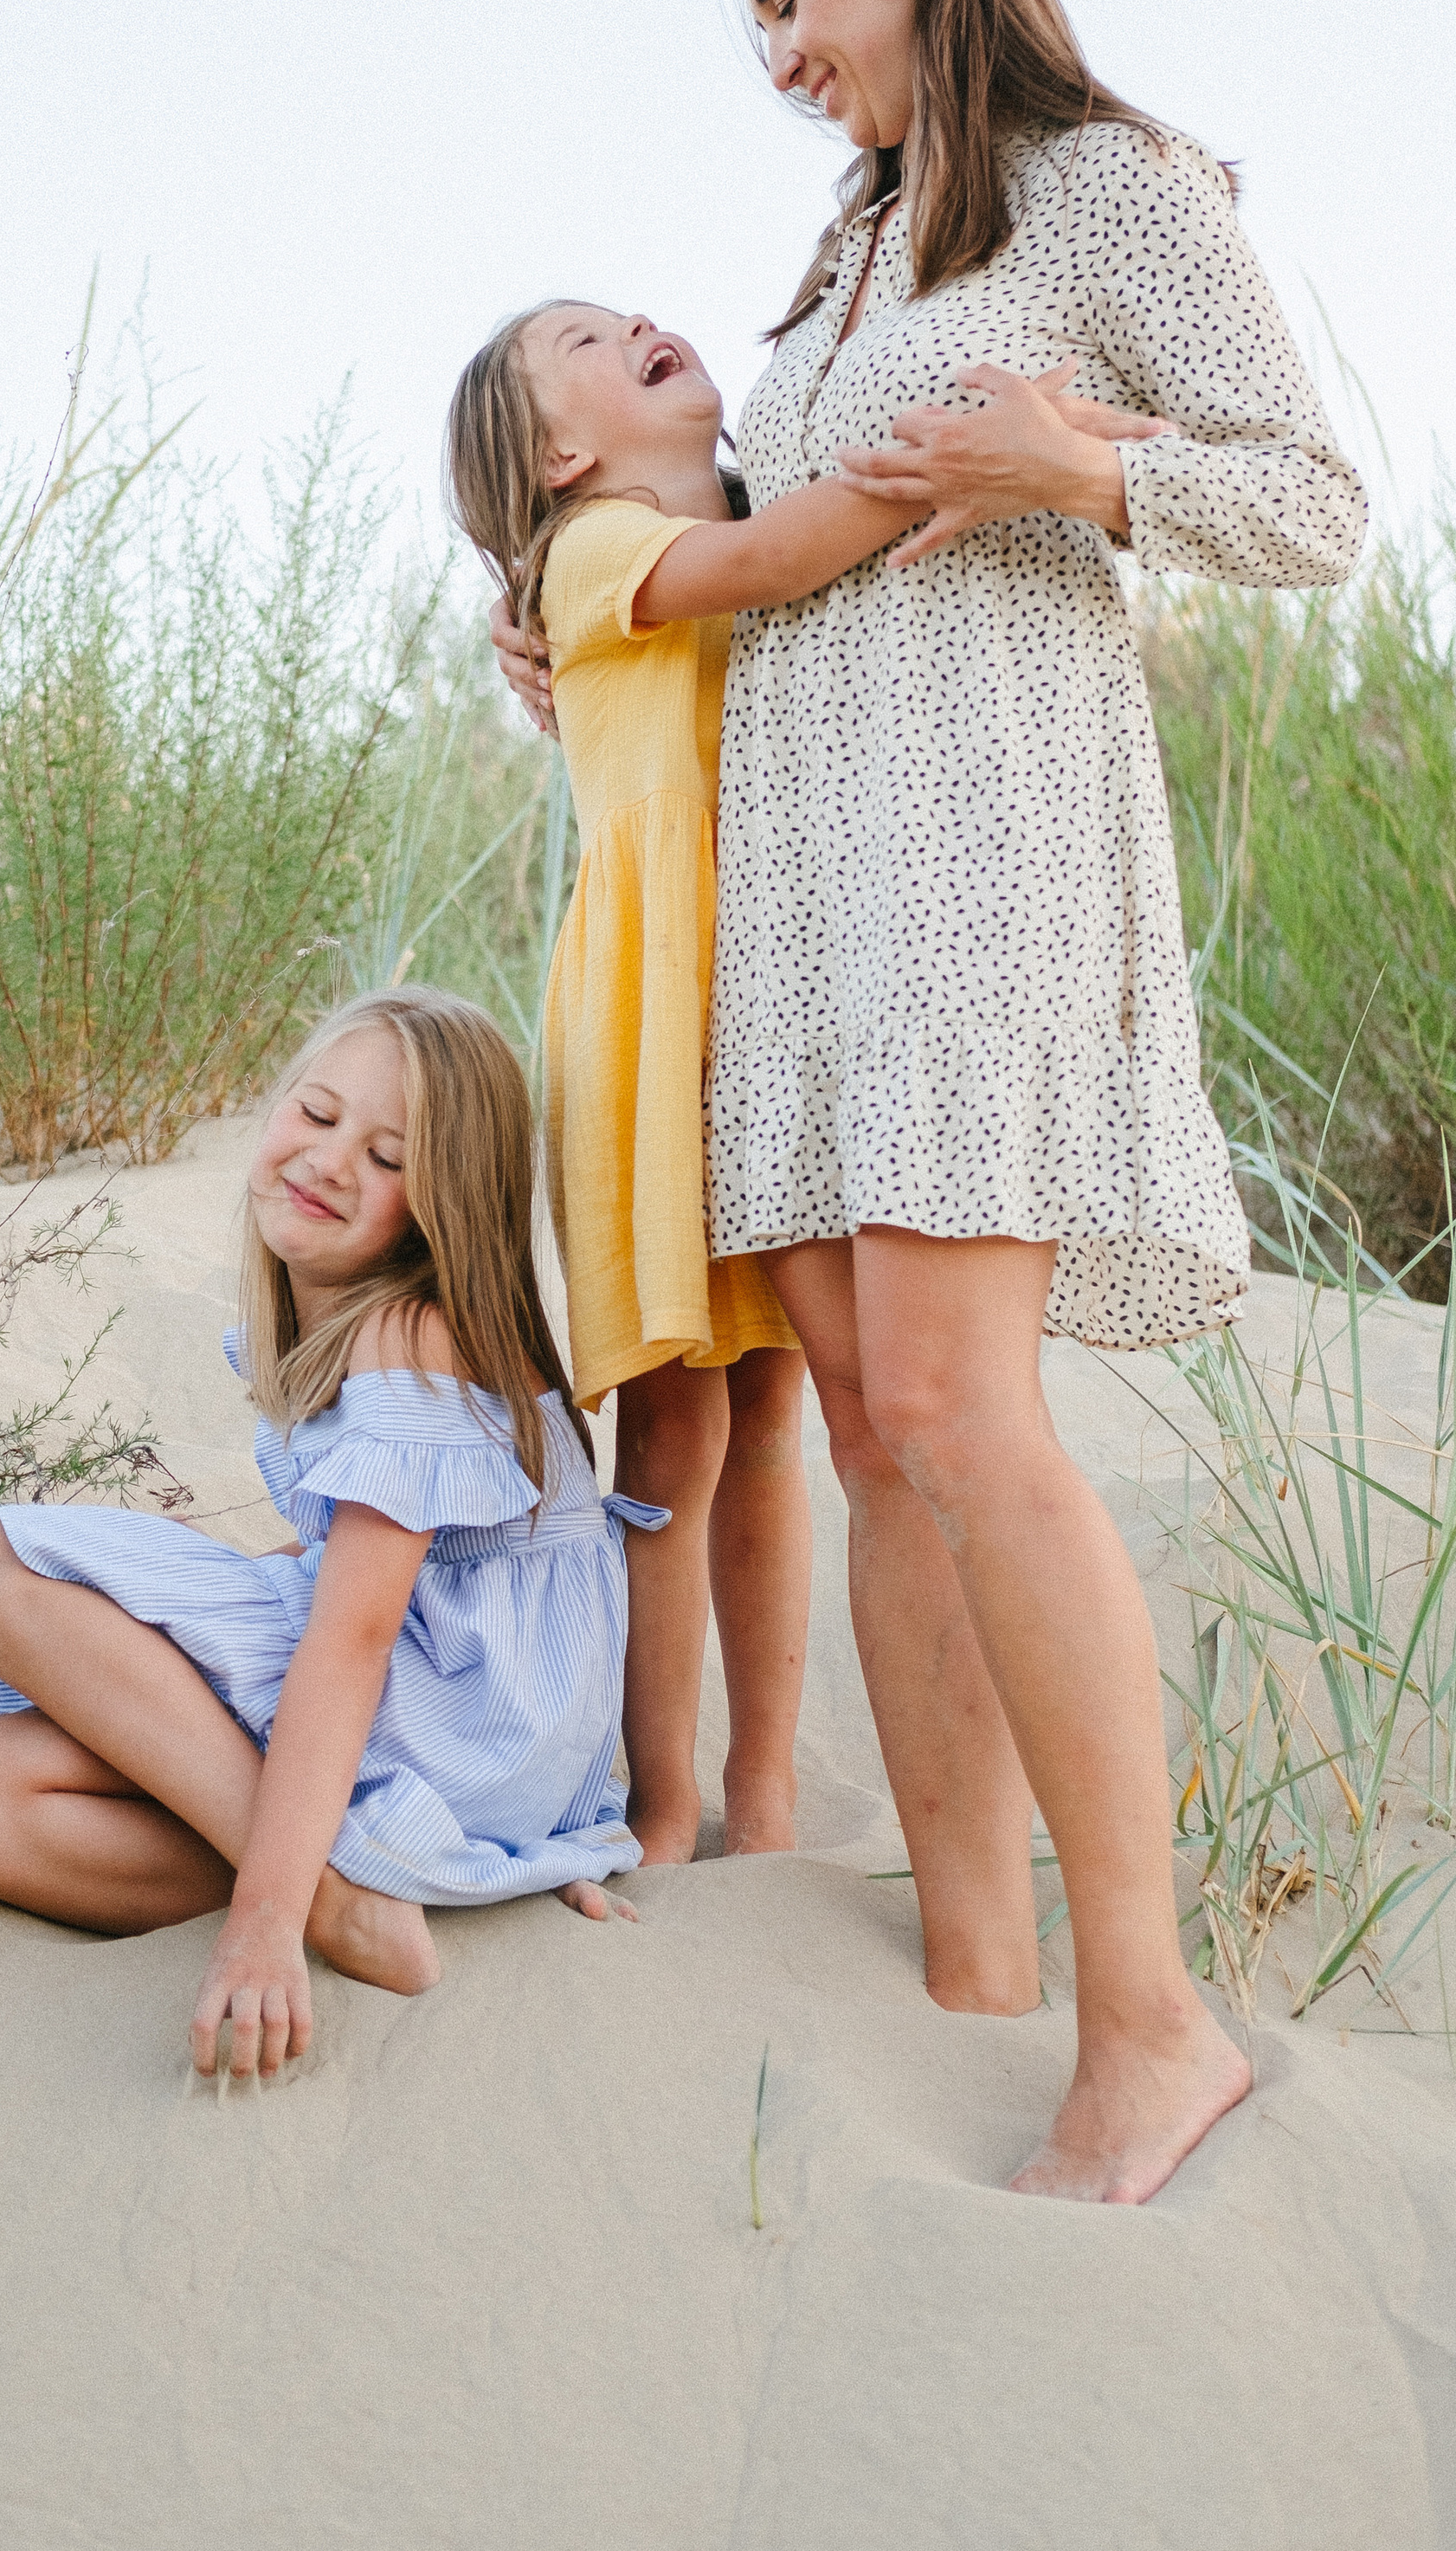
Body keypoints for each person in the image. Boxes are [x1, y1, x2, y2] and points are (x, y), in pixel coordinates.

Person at [496, 0, 1366, 2203]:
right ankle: (976, 1963)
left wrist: (1089, 467)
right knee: (875, 1427)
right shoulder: (856, 234)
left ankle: (1153, 2025)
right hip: (802, 890)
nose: (774, 54)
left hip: (982, 850)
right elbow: (741, 544)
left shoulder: (1101, 182)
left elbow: (1310, 499)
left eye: (793, 0)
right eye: (754, 21)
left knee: (974, 1423)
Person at [443, 307, 1150, 1864]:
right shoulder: (600, 550)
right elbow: (766, 571)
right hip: (652, 1025)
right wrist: (970, 453)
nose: (640, 319)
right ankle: (665, 1794)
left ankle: (763, 1791)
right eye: (586, 335)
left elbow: (787, 559)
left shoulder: (758, 522)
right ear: (563, 455)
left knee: (774, 1415)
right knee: (674, 1434)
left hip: (786, 1007)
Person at [0, 985, 665, 2081]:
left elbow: (353, 1639)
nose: (330, 1160)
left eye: (390, 1155)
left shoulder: (407, 1339)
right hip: (487, 1742)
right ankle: (348, 1882)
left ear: (445, 1207)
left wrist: (259, 1926)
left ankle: (312, 1897)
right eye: (315, 1114)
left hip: (447, 1708)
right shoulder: (371, 1325)